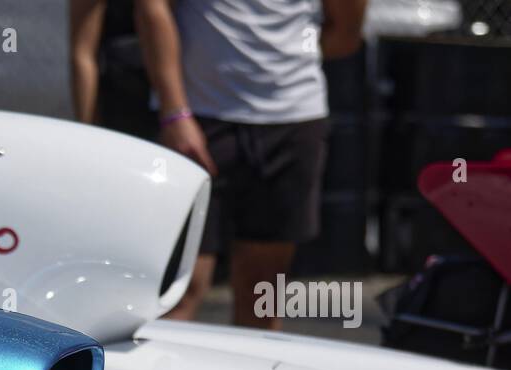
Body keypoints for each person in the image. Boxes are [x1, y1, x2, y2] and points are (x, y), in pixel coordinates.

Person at [134, 0, 366, 327]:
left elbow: (346, 31)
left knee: (262, 296)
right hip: (198, 121)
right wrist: (175, 113)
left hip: (293, 119)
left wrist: (279, 65)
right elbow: (152, 7)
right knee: (178, 292)